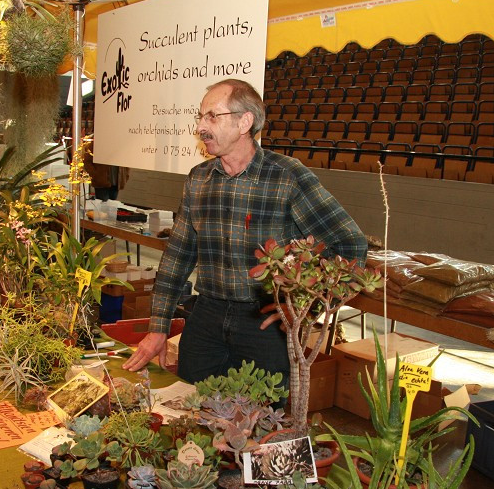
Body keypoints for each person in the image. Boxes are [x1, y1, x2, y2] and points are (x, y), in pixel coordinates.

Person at [123, 79, 366, 383]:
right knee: (187, 409)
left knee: (261, 420)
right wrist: (158, 327)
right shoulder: (198, 180)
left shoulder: (287, 177)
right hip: (207, 314)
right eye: (200, 117)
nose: (200, 127)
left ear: (245, 122)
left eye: (212, 116)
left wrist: (305, 307)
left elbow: (349, 243)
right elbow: (178, 256)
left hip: (266, 323)